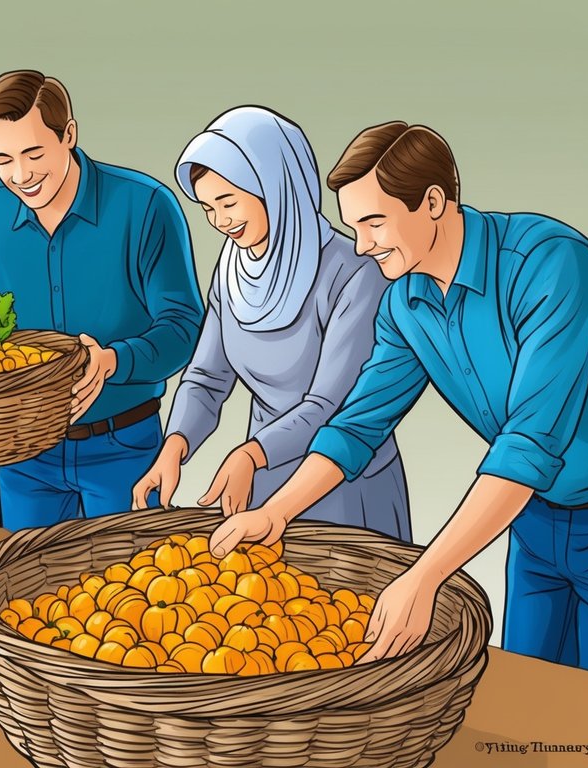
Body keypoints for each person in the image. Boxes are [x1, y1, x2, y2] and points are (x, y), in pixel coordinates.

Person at [208, 121, 588, 674]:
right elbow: (357, 427)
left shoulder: (551, 265)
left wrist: (423, 576)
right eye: (353, 226)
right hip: (531, 522)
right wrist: (275, 513)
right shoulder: (403, 304)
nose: (363, 246)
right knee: (534, 699)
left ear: (434, 202)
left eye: (375, 222)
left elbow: (528, 443)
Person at [131, 107, 411, 541]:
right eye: (208, 208)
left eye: (229, 202)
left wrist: (251, 455)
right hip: (260, 479)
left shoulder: (353, 272)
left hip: (345, 483)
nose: (221, 222)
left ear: (276, 187)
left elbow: (329, 406)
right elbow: (207, 376)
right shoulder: (232, 271)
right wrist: (174, 448)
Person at [0, 70, 203, 531]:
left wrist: (112, 361)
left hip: (125, 445)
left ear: (69, 134)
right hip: (23, 450)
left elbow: (185, 326)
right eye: (2, 159)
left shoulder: (145, 205)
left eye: (33, 153)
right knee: (25, 595)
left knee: (132, 591)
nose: (20, 175)